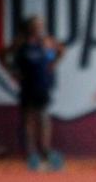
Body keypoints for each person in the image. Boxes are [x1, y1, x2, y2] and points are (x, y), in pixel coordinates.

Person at [8, 15, 64, 171]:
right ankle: (31, 152)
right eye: (37, 25)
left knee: (44, 118)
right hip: (27, 86)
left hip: (42, 86)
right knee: (28, 119)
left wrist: (53, 64)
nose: (40, 28)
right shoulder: (21, 44)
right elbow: (6, 56)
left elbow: (58, 53)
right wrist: (12, 72)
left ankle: (45, 150)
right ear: (30, 28)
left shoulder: (45, 44)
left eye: (41, 25)